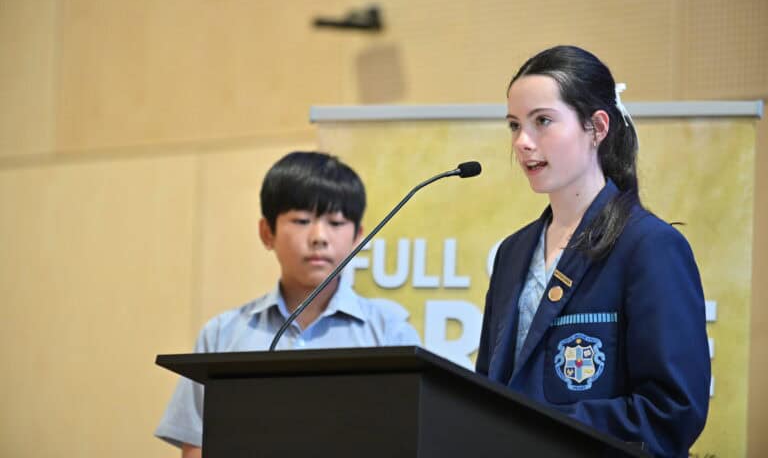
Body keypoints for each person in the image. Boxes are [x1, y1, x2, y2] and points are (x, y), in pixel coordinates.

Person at [476, 45, 710, 457]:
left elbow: (671, 412)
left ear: (597, 127)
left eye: (542, 121)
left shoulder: (650, 247)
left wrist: (538, 431)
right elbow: (488, 390)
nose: (522, 142)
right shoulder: (512, 252)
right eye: (514, 125)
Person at [156, 151, 420, 457]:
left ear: (358, 237)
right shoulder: (223, 335)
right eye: (302, 220)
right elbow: (197, 447)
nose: (319, 237)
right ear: (267, 232)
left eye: (336, 222)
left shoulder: (390, 333)